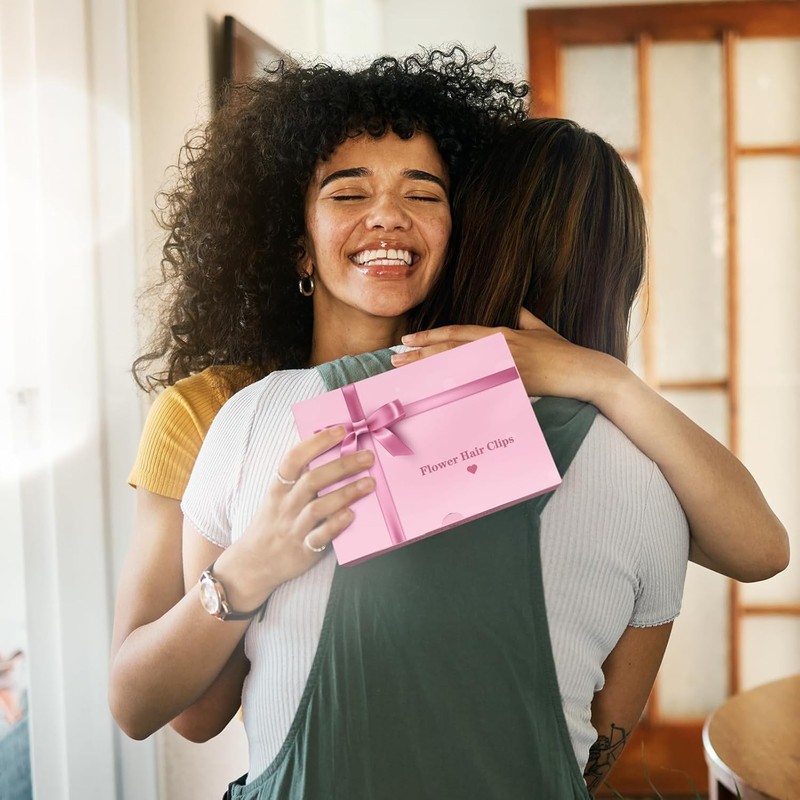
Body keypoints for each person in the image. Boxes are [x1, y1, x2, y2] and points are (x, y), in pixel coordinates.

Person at [109, 50, 788, 786]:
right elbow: (188, 713)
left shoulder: (510, 411)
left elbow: (755, 552)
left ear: (460, 230)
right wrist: (251, 567)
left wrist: (605, 381)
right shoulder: (223, 415)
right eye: (347, 192)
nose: (388, 216)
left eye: (423, 193)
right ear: (295, 244)